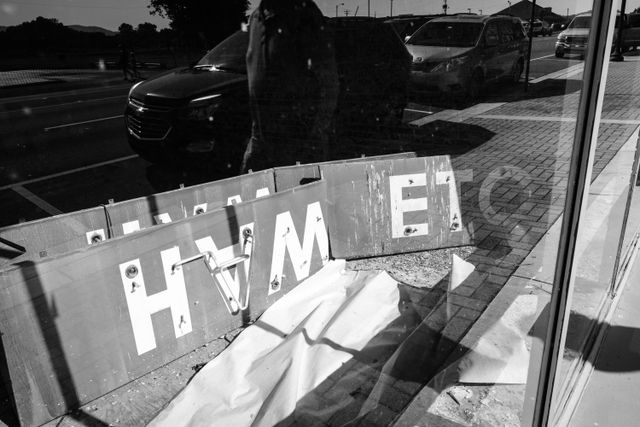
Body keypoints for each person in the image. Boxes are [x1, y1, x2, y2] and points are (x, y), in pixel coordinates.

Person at [241, 0, 339, 173]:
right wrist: (255, 139)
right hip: (263, 144)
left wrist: (315, 137)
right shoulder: (256, 19)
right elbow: (256, 83)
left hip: (299, 143)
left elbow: (328, 81)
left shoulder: (304, 14)